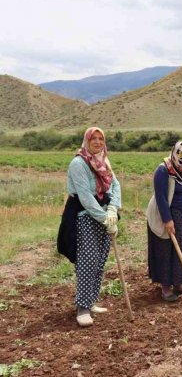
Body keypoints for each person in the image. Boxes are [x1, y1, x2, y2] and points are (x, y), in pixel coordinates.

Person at [65, 127, 121, 327]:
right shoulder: (78, 163)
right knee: (87, 261)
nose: (97, 142)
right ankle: (82, 308)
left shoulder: (104, 161)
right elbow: (86, 198)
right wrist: (105, 218)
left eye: (101, 138)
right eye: (93, 138)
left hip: (105, 215)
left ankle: (91, 301)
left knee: (100, 261)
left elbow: (115, 186)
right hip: (85, 217)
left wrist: (113, 210)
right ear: (86, 141)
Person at [147, 141, 182, 302]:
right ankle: (165, 287)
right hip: (165, 214)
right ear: (177, 156)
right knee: (165, 250)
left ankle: (179, 284)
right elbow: (161, 198)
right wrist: (167, 220)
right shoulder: (163, 171)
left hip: (181, 217)